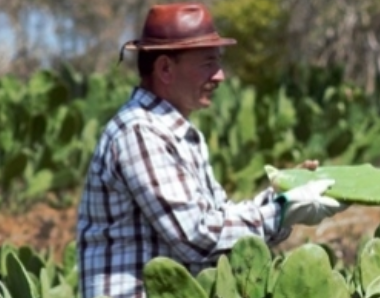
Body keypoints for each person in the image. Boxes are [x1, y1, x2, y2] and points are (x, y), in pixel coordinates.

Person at [75, 3, 348, 298]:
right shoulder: (140, 133)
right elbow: (196, 236)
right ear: (165, 68)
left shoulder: (179, 133)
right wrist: (282, 212)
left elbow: (218, 216)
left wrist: (284, 196)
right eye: (207, 63)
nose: (220, 76)